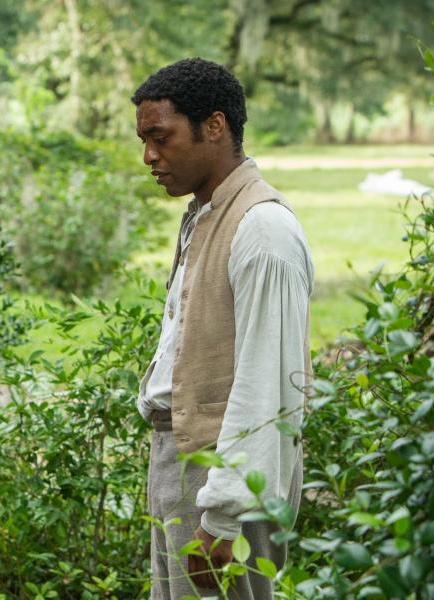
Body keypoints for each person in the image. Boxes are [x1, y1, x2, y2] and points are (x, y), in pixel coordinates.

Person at [132, 58, 313, 599]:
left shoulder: (262, 230)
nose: (148, 156)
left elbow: (270, 388)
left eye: (160, 137)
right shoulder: (206, 214)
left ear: (214, 127)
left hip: (223, 484)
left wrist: (225, 514)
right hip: (185, 464)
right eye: (143, 140)